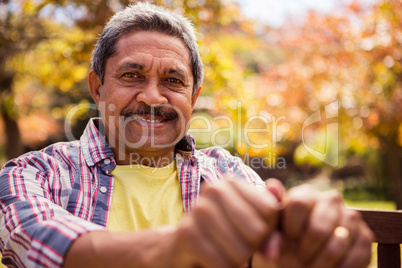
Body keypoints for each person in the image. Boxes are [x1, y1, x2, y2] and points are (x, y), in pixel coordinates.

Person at [0, 2, 373, 268]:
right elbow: (37, 241)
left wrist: (300, 249)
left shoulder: (229, 172)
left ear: (193, 99)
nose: (152, 96)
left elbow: (269, 254)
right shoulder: (33, 173)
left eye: (173, 81)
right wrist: (175, 249)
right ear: (97, 88)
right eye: (132, 76)